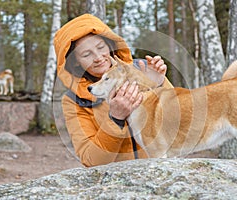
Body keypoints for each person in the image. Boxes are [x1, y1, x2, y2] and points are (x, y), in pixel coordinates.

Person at [54, 14, 173, 167]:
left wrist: (159, 83)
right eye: (86, 54)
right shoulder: (74, 100)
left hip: (159, 171)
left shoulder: (142, 69)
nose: (98, 57)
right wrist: (115, 119)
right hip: (114, 185)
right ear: (75, 63)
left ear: (110, 45)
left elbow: (177, 121)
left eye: (100, 47)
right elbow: (91, 160)